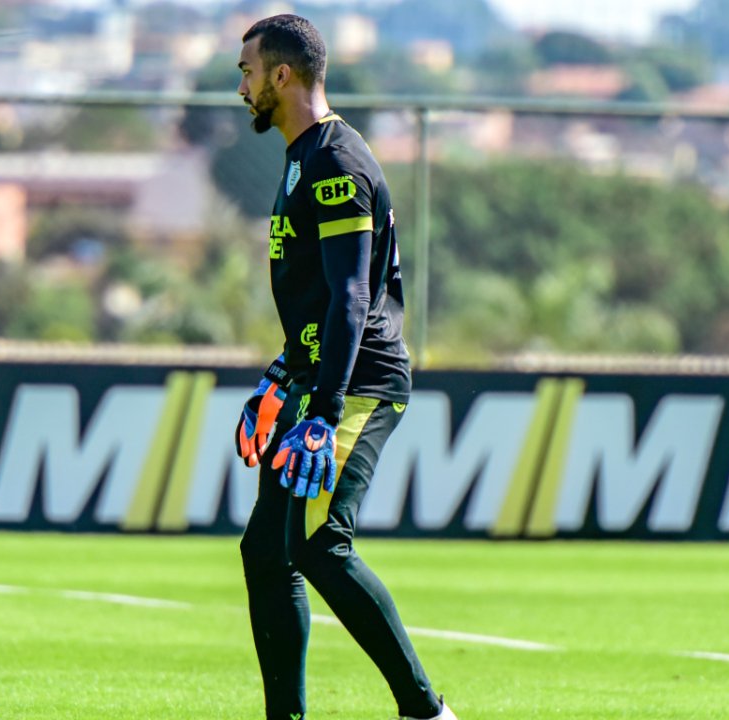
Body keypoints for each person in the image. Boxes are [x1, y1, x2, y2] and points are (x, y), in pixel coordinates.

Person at [232, 14, 457, 720]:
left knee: (320, 544)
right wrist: (280, 376)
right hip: (320, 377)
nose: (240, 87)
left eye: (246, 72)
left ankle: (427, 713)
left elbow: (354, 295)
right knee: (267, 551)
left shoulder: (334, 161)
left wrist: (324, 413)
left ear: (282, 74)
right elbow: (320, 297)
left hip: (359, 385)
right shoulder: (302, 156)